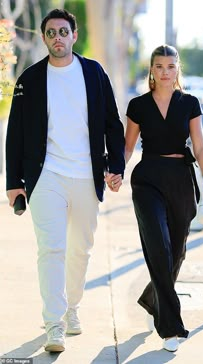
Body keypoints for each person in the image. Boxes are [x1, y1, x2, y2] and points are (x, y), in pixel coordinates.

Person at [6, 9, 125, 353]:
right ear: (44, 38)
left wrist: (115, 166)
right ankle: (54, 322)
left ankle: (72, 307)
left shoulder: (94, 73)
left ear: (74, 35)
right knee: (51, 249)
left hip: (86, 174)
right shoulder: (30, 78)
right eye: (51, 33)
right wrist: (14, 181)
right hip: (46, 176)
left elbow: (112, 124)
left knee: (81, 250)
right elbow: (15, 134)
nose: (57, 37)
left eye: (63, 31)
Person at [125, 44, 203, 352]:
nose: (165, 72)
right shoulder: (138, 105)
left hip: (180, 179)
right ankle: (171, 327)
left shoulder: (189, 103)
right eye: (159, 66)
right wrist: (113, 172)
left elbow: (201, 146)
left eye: (170, 66)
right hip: (147, 180)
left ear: (178, 69)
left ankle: (154, 299)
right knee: (159, 248)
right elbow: (128, 147)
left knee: (176, 253)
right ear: (151, 70)